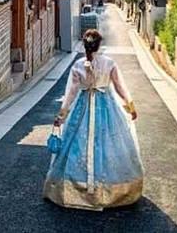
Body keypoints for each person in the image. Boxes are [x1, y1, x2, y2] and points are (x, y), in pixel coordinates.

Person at [43, 29, 143, 211]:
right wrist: (130, 106)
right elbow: (120, 87)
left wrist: (61, 116)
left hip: (83, 107)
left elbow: (70, 94)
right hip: (107, 107)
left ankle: (75, 188)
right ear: (99, 45)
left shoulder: (78, 66)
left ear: (84, 44)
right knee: (108, 142)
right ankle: (111, 189)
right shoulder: (109, 63)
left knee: (76, 142)